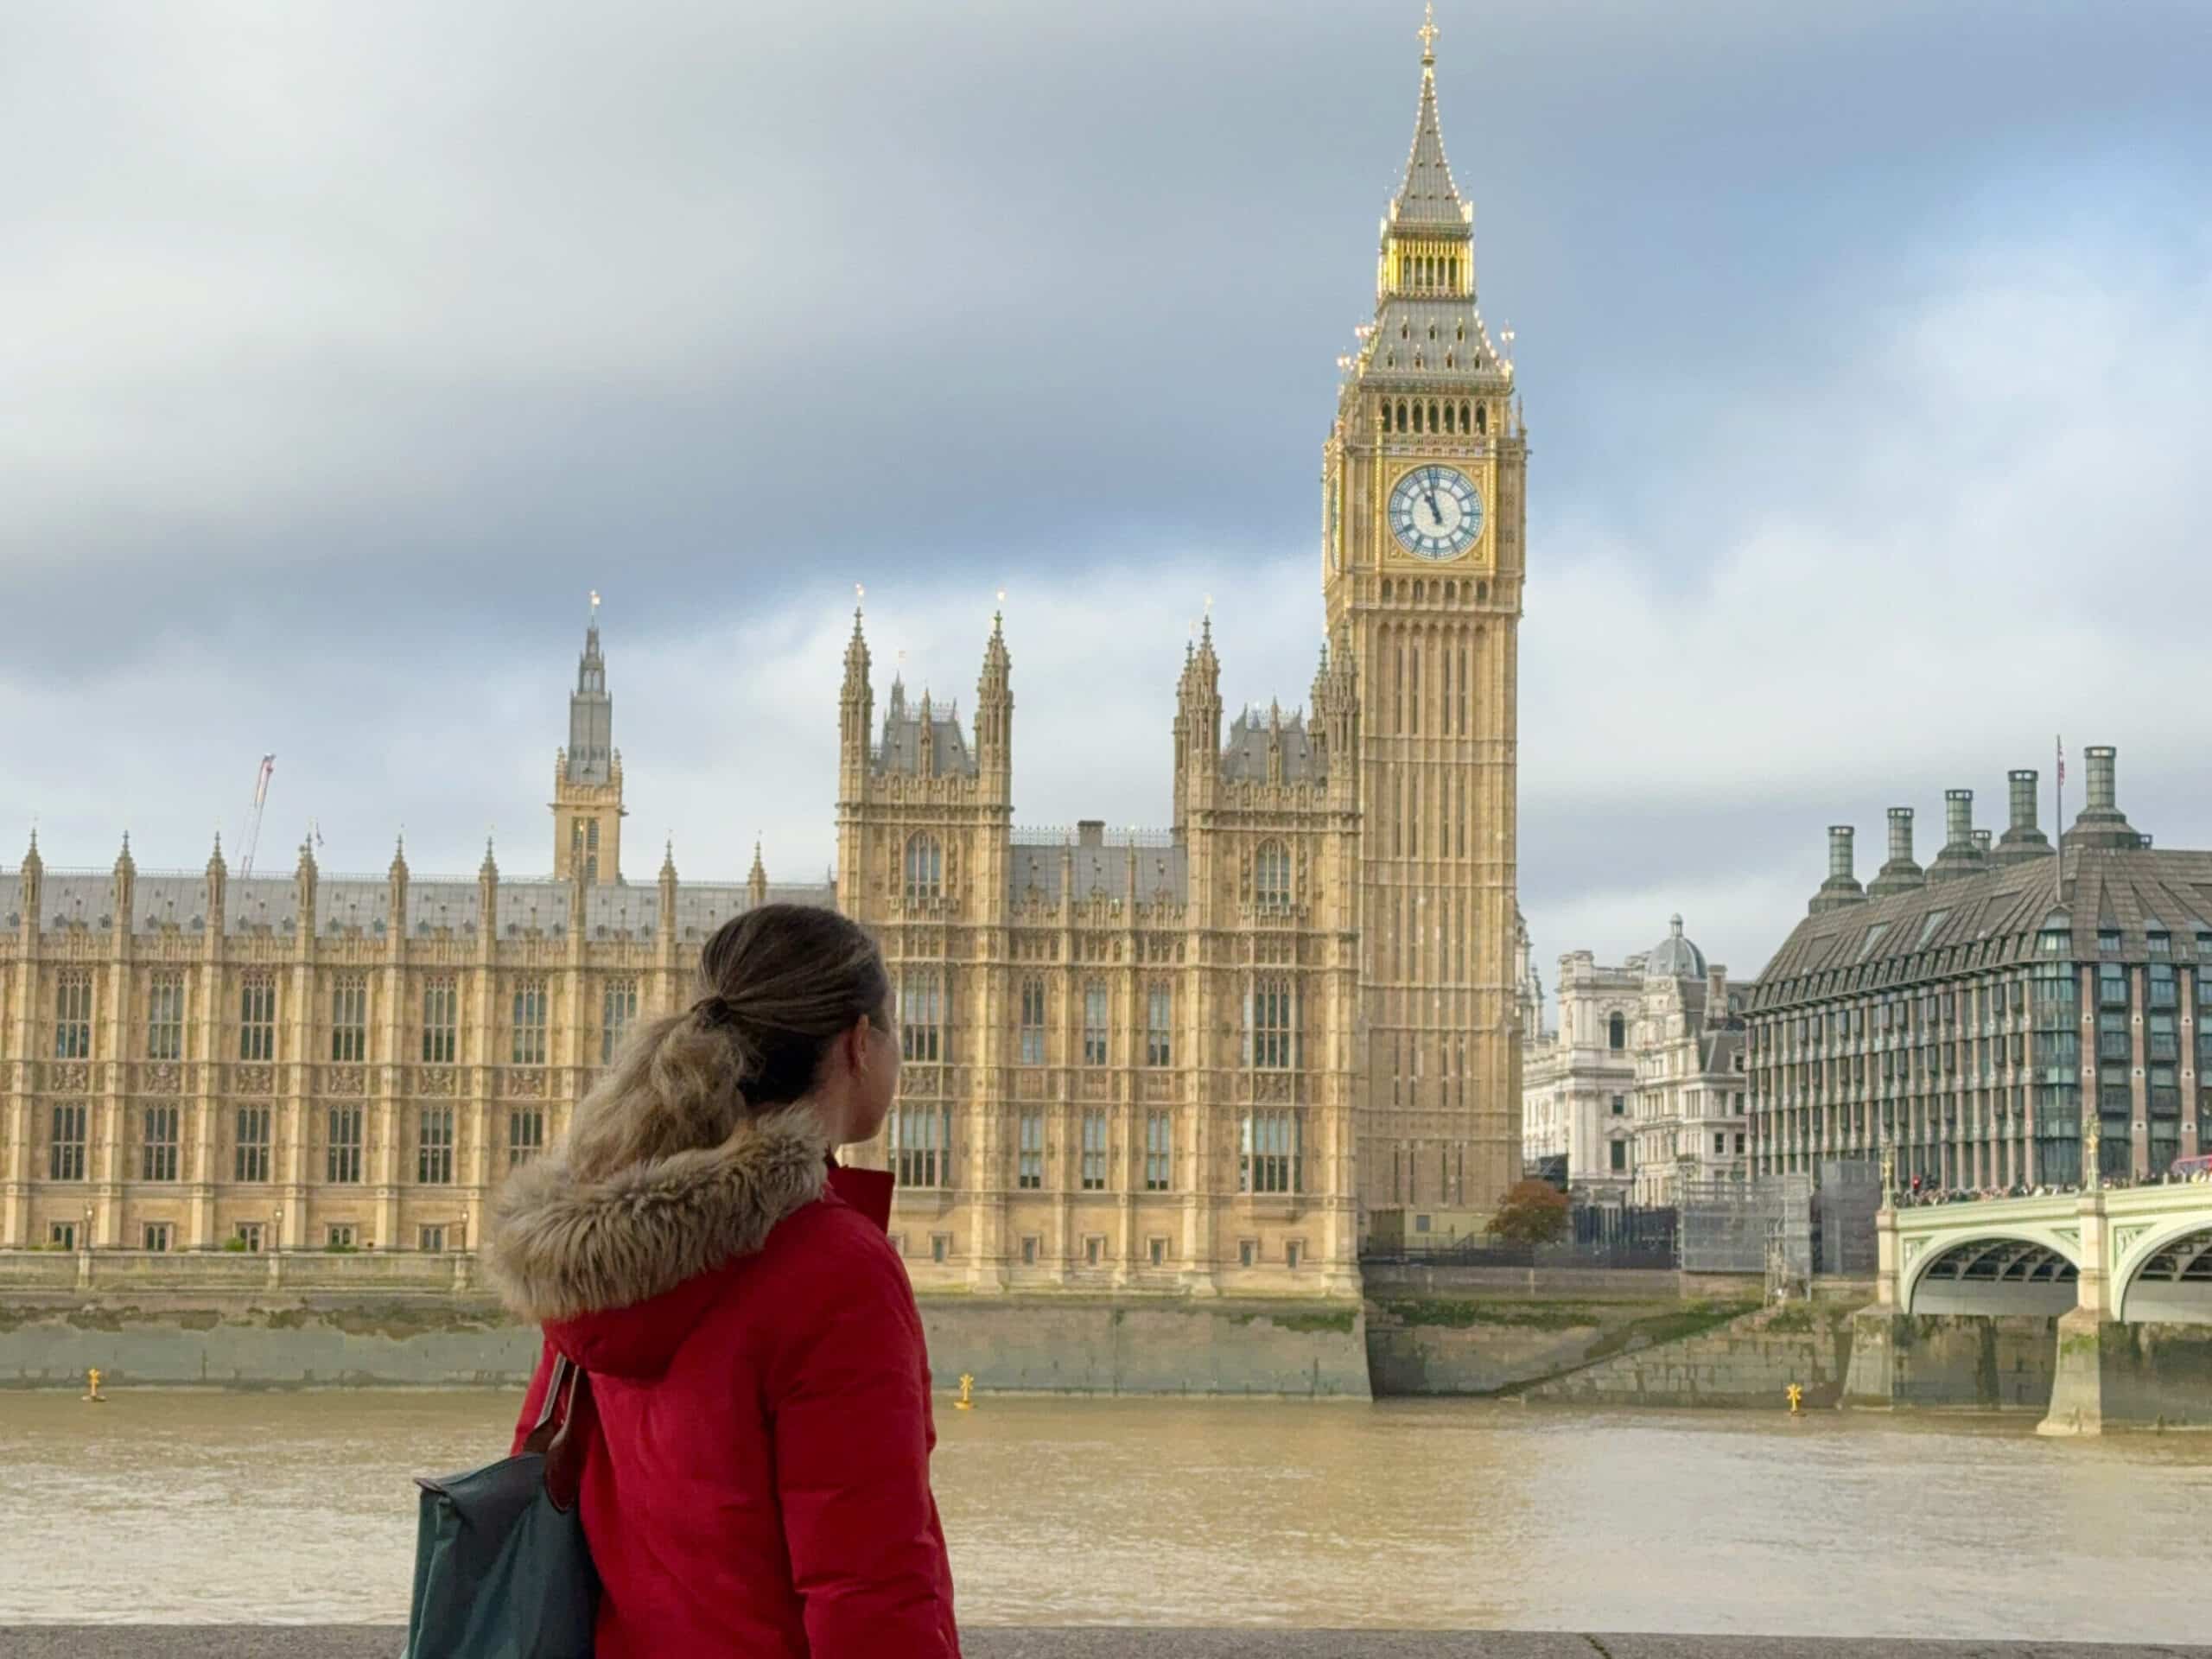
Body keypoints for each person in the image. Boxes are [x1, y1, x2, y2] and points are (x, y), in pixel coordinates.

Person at [485, 904, 961, 1658]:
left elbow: (540, 1474)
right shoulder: (834, 1270)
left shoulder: (605, 1250)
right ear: (860, 1045)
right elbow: (871, 1589)